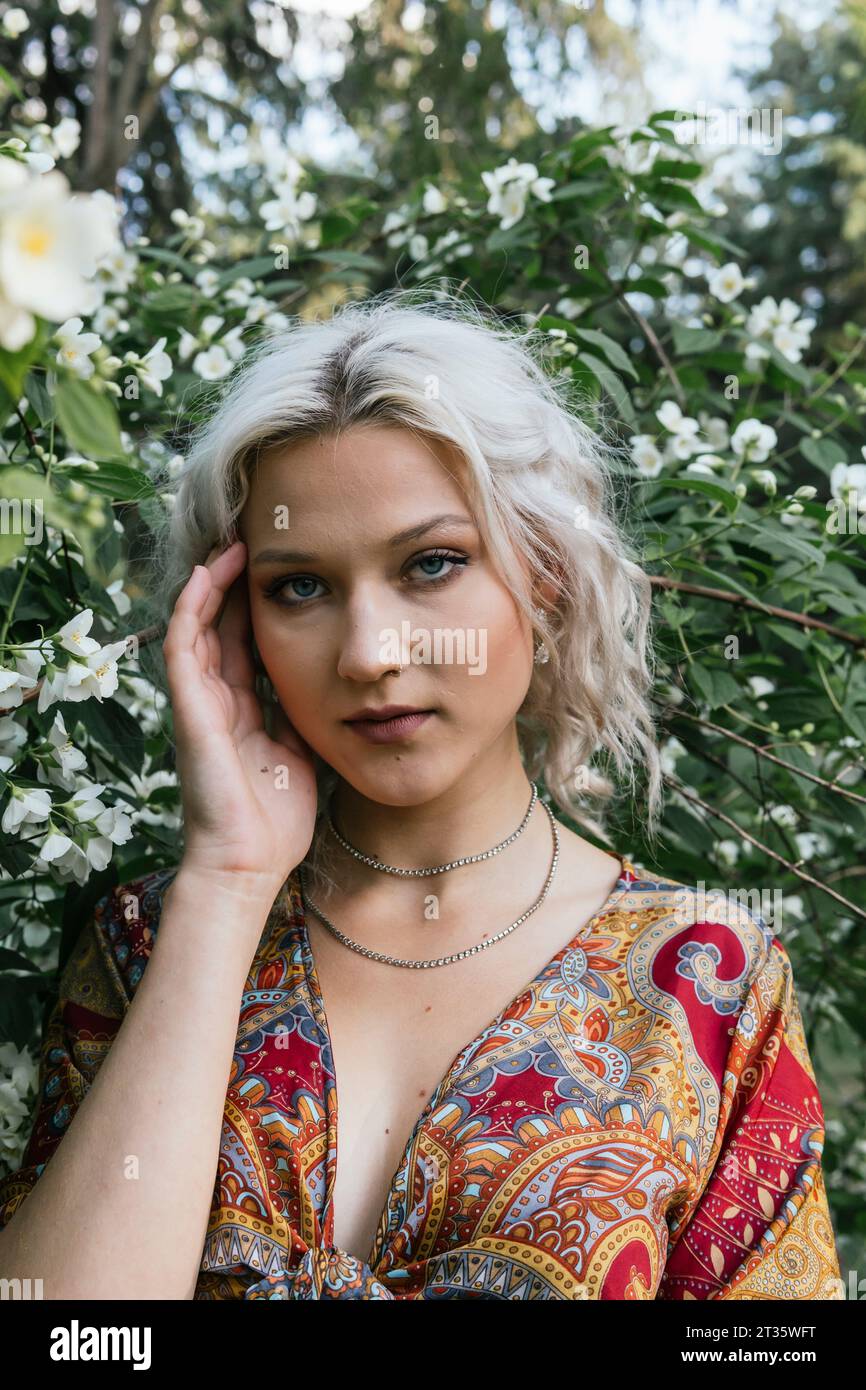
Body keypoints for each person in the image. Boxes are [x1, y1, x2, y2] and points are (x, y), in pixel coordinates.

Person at [0, 288, 844, 1300]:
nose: (369, 654)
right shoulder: (148, 948)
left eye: (430, 563)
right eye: (299, 586)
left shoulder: (703, 986)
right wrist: (225, 885)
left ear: (540, 571)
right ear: (232, 624)